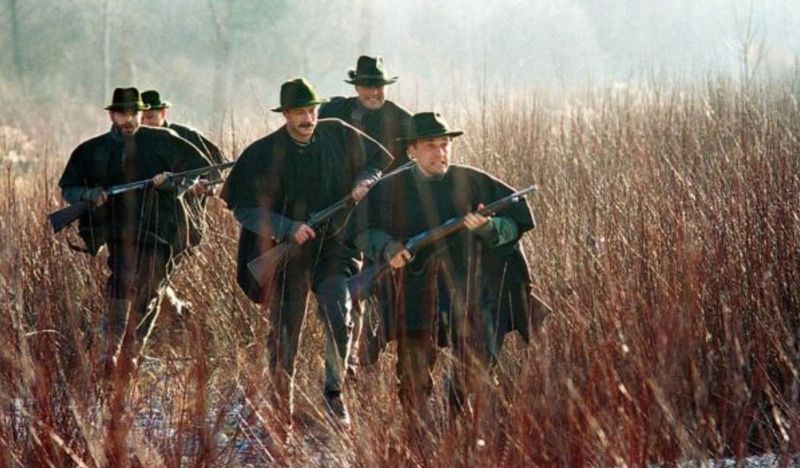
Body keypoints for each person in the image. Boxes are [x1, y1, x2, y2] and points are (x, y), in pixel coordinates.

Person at [346, 112, 541, 424]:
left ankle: (456, 424)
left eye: (444, 144)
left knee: (475, 369)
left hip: (469, 292)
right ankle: (417, 434)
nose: (440, 153)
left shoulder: (473, 181)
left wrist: (488, 228)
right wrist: (388, 248)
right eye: (430, 146)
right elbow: (360, 231)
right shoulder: (388, 188)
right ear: (412, 151)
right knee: (412, 379)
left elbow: (513, 224)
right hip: (414, 294)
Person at [220, 78, 393, 428]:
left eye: (312, 110)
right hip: (289, 255)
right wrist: (287, 228)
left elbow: (378, 161)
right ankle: (280, 405)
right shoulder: (263, 153)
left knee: (339, 315)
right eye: (300, 112)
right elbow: (243, 209)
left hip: (335, 247)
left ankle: (334, 393)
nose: (308, 118)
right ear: (285, 114)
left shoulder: (338, 133)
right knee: (285, 335)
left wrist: (364, 181)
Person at [57, 87, 212, 374]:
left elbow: (196, 171)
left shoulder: (164, 140)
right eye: (122, 114)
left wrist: (171, 183)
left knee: (149, 289)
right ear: (112, 116)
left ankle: (131, 349)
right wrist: (90, 195)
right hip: (119, 229)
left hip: (161, 229)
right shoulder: (92, 150)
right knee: (120, 285)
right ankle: (110, 350)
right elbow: (69, 188)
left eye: (134, 113)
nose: (129, 119)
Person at [319, 55, 411, 170]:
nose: (374, 92)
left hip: (386, 179)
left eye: (379, 86)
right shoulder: (334, 110)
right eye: (368, 86)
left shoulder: (404, 120)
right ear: (357, 87)